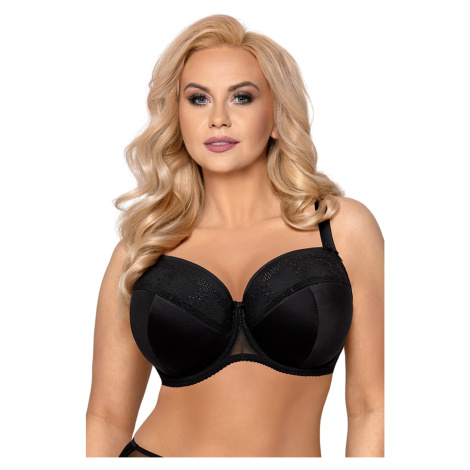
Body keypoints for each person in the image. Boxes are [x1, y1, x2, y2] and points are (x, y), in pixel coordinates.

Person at [85, 14, 384, 458]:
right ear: (177, 117)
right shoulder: (143, 247)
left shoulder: (341, 229)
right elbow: (107, 416)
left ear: (277, 116)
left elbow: (371, 407)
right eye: (198, 99)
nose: (218, 119)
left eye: (242, 97)